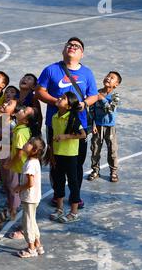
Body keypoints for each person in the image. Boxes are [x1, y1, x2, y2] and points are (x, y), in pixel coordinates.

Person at [35, 37, 98, 209]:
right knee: (57, 162)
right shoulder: (51, 70)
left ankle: (75, 196)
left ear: (82, 54)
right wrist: (57, 101)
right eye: (69, 45)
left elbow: (93, 95)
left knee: (76, 162)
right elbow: (40, 91)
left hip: (79, 124)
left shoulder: (87, 73)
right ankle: (58, 195)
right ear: (63, 50)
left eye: (76, 46)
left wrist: (84, 104)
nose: (72, 47)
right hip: (55, 124)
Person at [49, 92, 86, 223]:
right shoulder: (54, 117)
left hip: (70, 155)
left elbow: (83, 134)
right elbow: (52, 137)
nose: (59, 98)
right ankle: (59, 209)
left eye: (63, 98)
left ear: (69, 106)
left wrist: (66, 136)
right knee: (58, 182)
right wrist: (52, 154)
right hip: (57, 155)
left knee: (72, 183)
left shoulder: (73, 118)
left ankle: (74, 212)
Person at [13, 136, 51, 258]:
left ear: (34, 150)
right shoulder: (34, 162)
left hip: (29, 198)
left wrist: (19, 187)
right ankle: (38, 245)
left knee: (27, 223)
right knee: (32, 221)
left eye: (29, 143)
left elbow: (30, 183)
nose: (26, 143)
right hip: (34, 197)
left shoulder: (30, 164)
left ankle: (31, 248)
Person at [4, 106, 39, 221]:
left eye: (24, 111)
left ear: (25, 120)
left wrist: (10, 163)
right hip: (20, 166)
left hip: (20, 167)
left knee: (15, 189)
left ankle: (14, 213)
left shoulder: (20, 132)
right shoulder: (20, 128)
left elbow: (20, 153)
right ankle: (14, 210)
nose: (20, 110)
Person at [88, 71, 122, 182]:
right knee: (95, 149)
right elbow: (91, 111)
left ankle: (113, 171)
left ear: (116, 84)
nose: (108, 78)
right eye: (107, 76)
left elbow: (110, 109)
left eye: (112, 78)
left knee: (112, 150)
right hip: (97, 126)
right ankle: (95, 170)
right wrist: (92, 124)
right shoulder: (96, 93)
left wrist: (101, 98)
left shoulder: (115, 96)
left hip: (110, 127)